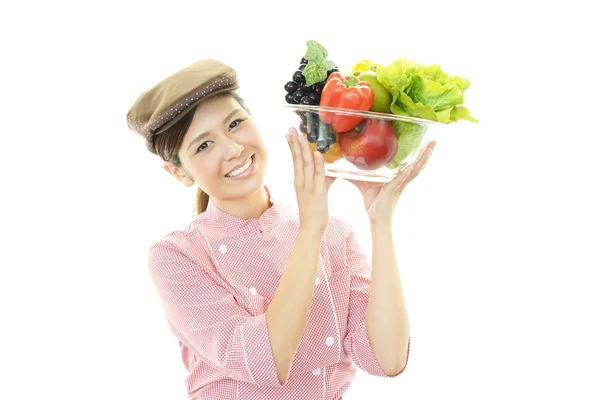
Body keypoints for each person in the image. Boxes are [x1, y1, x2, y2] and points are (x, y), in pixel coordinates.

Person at [126, 59, 435, 400]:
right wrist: (310, 231)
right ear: (178, 173)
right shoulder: (178, 256)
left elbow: (386, 359)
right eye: (203, 145)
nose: (233, 149)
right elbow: (266, 361)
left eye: (235, 124)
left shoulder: (336, 233)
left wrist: (381, 222)